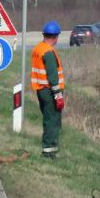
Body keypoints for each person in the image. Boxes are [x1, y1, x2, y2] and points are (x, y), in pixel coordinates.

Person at [30, 21, 65, 159]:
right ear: (55, 37)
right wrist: (58, 96)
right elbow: (53, 77)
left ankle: (48, 149)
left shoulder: (38, 49)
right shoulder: (49, 52)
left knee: (47, 119)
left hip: (41, 90)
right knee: (53, 121)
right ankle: (49, 152)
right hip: (50, 92)